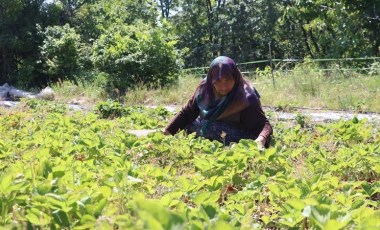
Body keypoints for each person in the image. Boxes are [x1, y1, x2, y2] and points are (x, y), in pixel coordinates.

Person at [163, 56, 273, 149]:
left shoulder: (245, 96)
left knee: (211, 126)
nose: (224, 86)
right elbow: (187, 113)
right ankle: (208, 139)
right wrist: (166, 133)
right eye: (218, 81)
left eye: (229, 80)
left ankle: (218, 142)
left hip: (242, 133)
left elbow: (264, 124)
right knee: (188, 123)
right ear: (211, 80)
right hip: (214, 128)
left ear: (235, 78)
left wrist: (260, 140)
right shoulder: (204, 90)